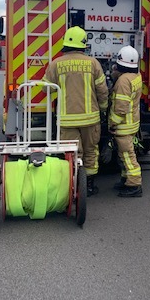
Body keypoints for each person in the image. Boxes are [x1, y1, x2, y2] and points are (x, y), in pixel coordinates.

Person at [43, 26, 108, 196]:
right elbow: (102, 90)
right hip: (90, 119)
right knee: (91, 151)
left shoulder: (56, 64)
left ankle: (72, 185)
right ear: (84, 44)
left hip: (67, 120)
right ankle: (89, 185)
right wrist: (103, 109)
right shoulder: (93, 63)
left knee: (71, 153)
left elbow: (45, 89)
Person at [108, 46, 143, 197]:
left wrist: (112, 123)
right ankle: (126, 179)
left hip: (123, 125)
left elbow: (121, 108)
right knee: (124, 154)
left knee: (128, 155)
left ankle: (134, 185)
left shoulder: (123, 81)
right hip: (132, 123)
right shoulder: (136, 76)